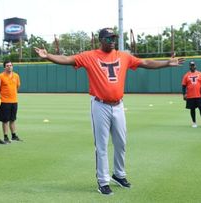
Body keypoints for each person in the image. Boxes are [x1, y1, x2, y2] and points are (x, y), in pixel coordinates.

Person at [35, 28, 185, 195]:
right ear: (101, 40)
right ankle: (103, 181)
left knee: (121, 142)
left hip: (118, 105)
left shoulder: (123, 56)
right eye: (109, 38)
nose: (112, 40)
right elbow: (67, 59)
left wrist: (166, 63)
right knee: (102, 145)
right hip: (100, 105)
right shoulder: (89, 56)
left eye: (114, 38)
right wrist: (48, 56)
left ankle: (119, 175)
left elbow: (145, 63)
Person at [0, 60, 22, 143]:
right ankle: (5, 136)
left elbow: (17, 87)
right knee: (5, 120)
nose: (9, 67)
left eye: (11, 65)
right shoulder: (0, 76)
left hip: (14, 101)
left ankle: (14, 135)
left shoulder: (16, 76)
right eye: (7, 65)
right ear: (4, 67)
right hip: (4, 101)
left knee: (13, 119)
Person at [182, 61, 201, 128]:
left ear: (195, 66)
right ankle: (194, 122)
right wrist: (184, 94)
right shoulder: (186, 75)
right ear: (189, 66)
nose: (192, 67)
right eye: (191, 65)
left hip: (200, 95)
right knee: (192, 109)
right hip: (190, 95)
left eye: (193, 65)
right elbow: (183, 86)